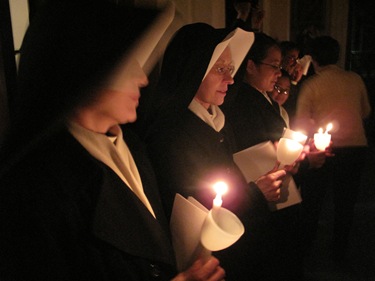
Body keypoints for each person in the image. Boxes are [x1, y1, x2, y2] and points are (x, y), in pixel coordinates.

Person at [0, 1, 226, 281]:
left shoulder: (132, 145)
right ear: (90, 68)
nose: (143, 78)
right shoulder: (36, 186)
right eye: (129, 63)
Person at [145, 23, 288, 281]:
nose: (230, 79)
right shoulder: (172, 133)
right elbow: (192, 204)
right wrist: (256, 193)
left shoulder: (218, 120)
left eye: (231, 69)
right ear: (194, 69)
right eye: (220, 69)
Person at [222, 32, 306, 280]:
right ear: (250, 66)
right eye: (273, 66)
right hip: (264, 203)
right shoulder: (242, 103)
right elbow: (254, 154)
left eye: (281, 67)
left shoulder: (262, 98)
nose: (279, 73)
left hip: (275, 195)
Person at [294, 35, 372, 262]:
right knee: (346, 203)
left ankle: (305, 251)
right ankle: (339, 252)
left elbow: (301, 121)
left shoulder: (312, 84)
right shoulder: (355, 79)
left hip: (324, 150)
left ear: (313, 58)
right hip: (356, 147)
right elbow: (365, 111)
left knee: (313, 201)